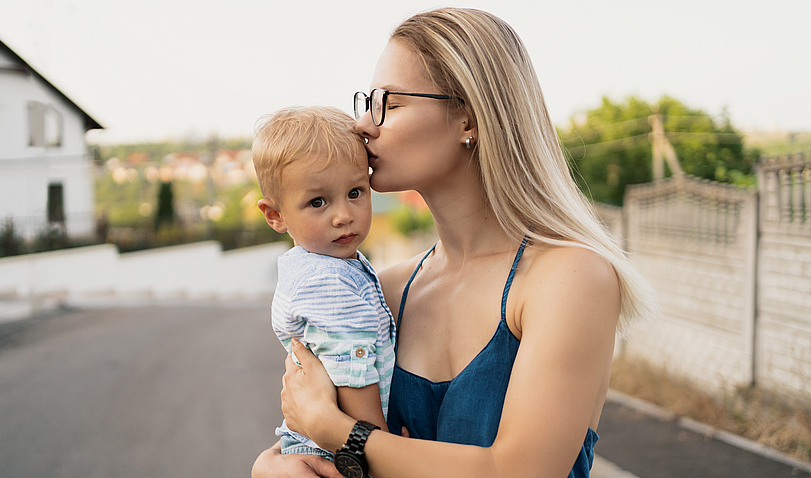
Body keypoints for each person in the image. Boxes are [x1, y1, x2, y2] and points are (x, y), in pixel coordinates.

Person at [252, 8, 655, 478]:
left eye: (389, 104)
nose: (363, 125)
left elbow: (519, 471)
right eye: (367, 102)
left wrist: (338, 430)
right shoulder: (380, 291)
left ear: (468, 118)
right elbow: (299, 444)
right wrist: (269, 468)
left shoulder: (569, 277)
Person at [251, 106, 395, 460]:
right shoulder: (325, 282)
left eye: (356, 192)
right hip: (339, 454)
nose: (344, 215)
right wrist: (384, 447)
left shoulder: (327, 265)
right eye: (318, 202)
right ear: (276, 215)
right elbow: (352, 373)